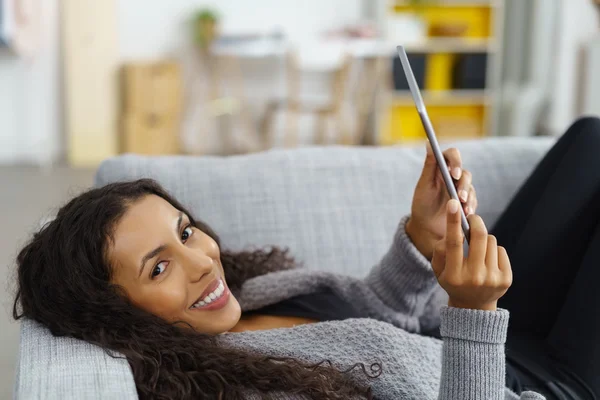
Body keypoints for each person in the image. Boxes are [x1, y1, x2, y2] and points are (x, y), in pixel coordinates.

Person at [12, 117, 600, 400]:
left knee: (589, 139)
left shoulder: (238, 304)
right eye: (158, 267)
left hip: (484, 334)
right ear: (115, 315)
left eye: (186, 232)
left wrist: (421, 240)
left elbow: (377, 315)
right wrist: (474, 314)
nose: (202, 262)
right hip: (539, 385)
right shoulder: (234, 389)